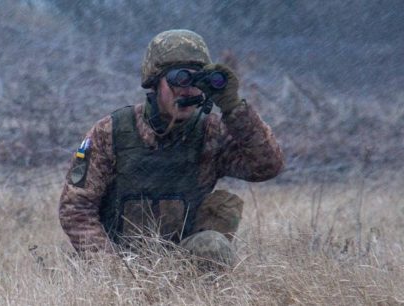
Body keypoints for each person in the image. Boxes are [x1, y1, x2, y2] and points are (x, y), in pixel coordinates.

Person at [59, 29, 284, 267]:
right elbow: (76, 209)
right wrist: (112, 269)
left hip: (182, 262)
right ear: (156, 83)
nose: (188, 90)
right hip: (118, 260)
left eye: (197, 81)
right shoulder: (111, 132)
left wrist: (233, 107)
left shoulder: (211, 133)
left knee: (213, 246)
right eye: (179, 79)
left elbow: (267, 166)